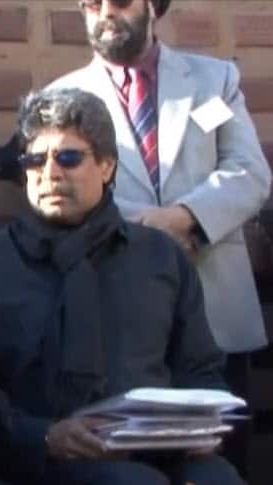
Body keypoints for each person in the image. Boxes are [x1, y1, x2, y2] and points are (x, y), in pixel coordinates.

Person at [0, 87, 242, 485]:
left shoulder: (159, 258)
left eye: (69, 158)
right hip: (43, 457)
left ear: (107, 166)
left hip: (163, 451)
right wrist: (43, 435)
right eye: (35, 160)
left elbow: (200, 368)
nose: (50, 173)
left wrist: (205, 427)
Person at [49, 0, 270, 369]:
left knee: (227, 426)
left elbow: (250, 172)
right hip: (119, 320)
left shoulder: (214, 81)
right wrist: (153, 233)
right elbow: (68, 194)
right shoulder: (61, 99)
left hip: (216, 312)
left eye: (120, 1)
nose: (105, 13)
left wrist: (184, 218)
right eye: (91, 4)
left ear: (154, 7)